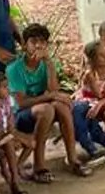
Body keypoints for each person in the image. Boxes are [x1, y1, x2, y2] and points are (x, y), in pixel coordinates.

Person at [7, 24, 95, 181]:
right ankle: (39, 165)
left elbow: (53, 89)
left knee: (61, 106)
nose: (38, 46)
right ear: (25, 45)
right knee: (47, 109)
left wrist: (48, 63)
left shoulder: (46, 64)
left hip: (45, 108)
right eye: (34, 41)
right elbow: (21, 103)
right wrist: (52, 96)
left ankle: (72, 159)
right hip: (21, 115)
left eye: (42, 42)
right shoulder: (14, 69)